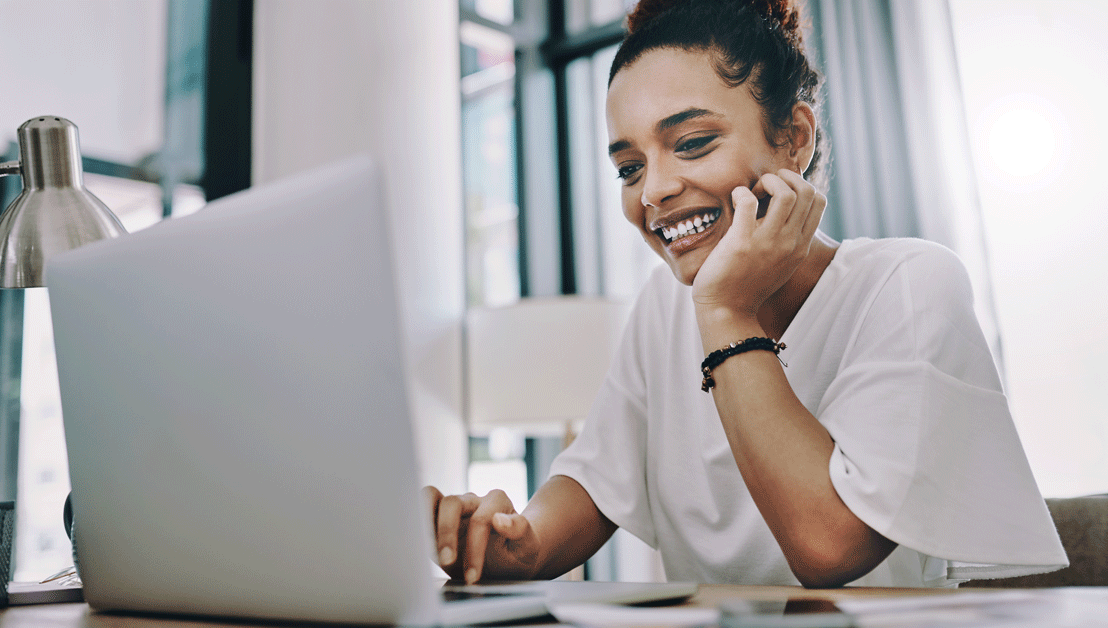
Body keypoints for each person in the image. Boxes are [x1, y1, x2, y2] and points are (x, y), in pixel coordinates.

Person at [424, 0, 1067, 588]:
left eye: (692, 143)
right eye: (629, 167)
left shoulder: (908, 284)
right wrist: (520, 544)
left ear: (793, 138)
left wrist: (727, 311)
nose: (652, 192)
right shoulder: (661, 306)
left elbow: (829, 546)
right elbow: (594, 478)